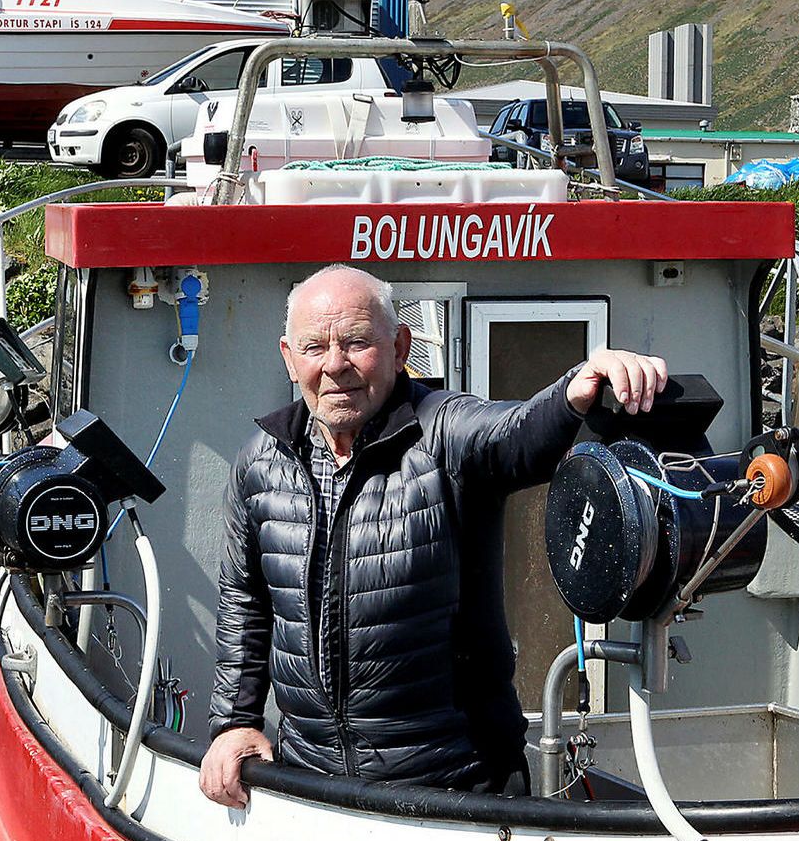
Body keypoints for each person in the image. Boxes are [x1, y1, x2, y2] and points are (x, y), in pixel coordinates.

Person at [200, 265, 666, 808]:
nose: (334, 366)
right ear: (287, 356)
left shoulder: (442, 431)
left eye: (356, 343)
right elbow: (245, 603)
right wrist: (234, 722)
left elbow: (517, 437)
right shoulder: (262, 459)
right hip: (311, 784)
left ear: (401, 346)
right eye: (313, 347)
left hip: (455, 787)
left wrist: (578, 386)